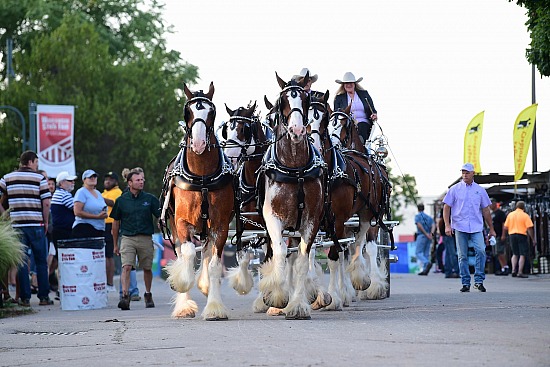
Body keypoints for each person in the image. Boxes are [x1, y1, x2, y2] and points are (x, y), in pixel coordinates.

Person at [0, 150, 53, 306]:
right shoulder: (40, 178)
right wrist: (45, 221)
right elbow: (46, 203)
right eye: (36, 162)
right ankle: (43, 297)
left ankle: (25, 298)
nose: (37, 166)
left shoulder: (7, 178)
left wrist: (5, 214)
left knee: (22, 261)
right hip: (36, 224)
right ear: (30, 161)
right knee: (41, 262)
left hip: (16, 226)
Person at [111, 170, 160, 310]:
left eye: (142, 179)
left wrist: (160, 222)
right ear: (130, 183)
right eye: (138, 180)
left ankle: (148, 293)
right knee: (126, 267)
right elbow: (115, 222)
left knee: (147, 268)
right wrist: (115, 244)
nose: (141, 182)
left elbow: (160, 216)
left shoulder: (150, 199)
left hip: (145, 238)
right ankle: (125, 296)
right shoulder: (121, 200)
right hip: (127, 238)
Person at [443, 163, 496, 293]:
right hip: (460, 226)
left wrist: (491, 229)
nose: (465, 175)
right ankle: (465, 282)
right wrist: (447, 225)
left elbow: (486, 210)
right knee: (462, 256)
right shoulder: (455, 189)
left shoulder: (480, 190)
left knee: (481, 251)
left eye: (467, 172)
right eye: (463, 172)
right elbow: (446, 207)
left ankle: (478, 281)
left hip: (477, 226)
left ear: (473, 173)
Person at [50, 171, 77, 298]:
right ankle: (63, 288)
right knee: (65, 261)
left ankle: (61, 288)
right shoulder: (64, 195)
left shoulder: (60, 193)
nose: (73, 183)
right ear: (61, 183)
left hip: (60, 231)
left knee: (61, 261)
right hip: (63, 232)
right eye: (69, 181)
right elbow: (77, 209)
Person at [333, 71, 378, 144]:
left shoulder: (364, 94)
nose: (349, 85)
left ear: (354, 84)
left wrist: (374, 114)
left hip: (363, 122)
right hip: (346, 123)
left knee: (361, 126)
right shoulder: (339, 98)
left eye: (351, 83)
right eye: (346, 83)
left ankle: (361, 143)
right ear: (343, 85)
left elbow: (372, 109)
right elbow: (336, 114)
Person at [502, 201, 536, 278]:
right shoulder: (525, 215)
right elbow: (529, 228)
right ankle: (520, 271)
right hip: (521, 235)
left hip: (512, 235)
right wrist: (533, 239)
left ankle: (513, 270)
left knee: (515, 253)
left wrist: (504, 235)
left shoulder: (510, 215)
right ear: (523, 207)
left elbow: (505, 227)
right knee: (522, 254)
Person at [102, 171, 122, 292]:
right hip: (101, 224)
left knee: (109, 255)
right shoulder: (104, 193)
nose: (107, 182)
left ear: (115, 181)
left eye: (110, 179)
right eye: (106, 179)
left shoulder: (117, 192)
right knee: (103, 255)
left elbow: (115, 203)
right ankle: (104, 281)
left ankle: (110, 282)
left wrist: (99, 198)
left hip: (111, 224)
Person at [72, 169, 107, 238]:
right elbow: (77, 212)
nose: (93, 178)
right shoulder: (81, 192)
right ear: (84, 180)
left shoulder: (98, 193)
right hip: (84, 228)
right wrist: (97, 217)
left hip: (99, 229)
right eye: (90, 177)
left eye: (94, 176)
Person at [415, 204, 435, 276]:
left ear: (418, 209)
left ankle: (426, 262)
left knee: (418, 252)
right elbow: (433, 225)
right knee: (426, 253)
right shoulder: (429, 217)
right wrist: (431, 234)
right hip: (429, 236)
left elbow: (419, 225)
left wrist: (426, 234)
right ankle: (424, 270)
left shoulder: (417, 216)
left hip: (422, 235)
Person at [438, 210, 459, 278]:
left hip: (446, 234)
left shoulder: (446, 208)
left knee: (448, 253)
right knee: (452, 253)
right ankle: (457, 271)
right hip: (448, 234)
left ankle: (448, 271)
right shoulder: (449, 209)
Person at [490, 199, 509, 275]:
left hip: (500, 234)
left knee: (500, 252)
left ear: (495, 204)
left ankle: (506, 267)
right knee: (497, 253)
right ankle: (503, 268)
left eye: (491, 204)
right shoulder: (492, 214)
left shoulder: (500, 213)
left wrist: (503, 234)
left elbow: (503, 224)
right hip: (494, 235)